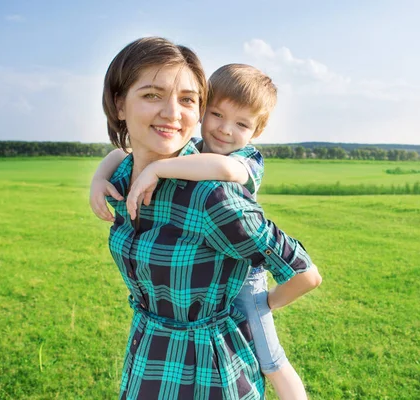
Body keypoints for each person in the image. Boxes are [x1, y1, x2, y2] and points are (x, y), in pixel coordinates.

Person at [96, 37, 322, 400]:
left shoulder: (212, 196)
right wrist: (98, 179)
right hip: (146, 362)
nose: (173, 113)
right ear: (119, 104)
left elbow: (304, 272)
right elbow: (120, 153)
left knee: (275, 363)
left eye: (187, 100)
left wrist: (266, 304)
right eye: (153, 95)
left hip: (208, 376)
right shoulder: (122, 178)